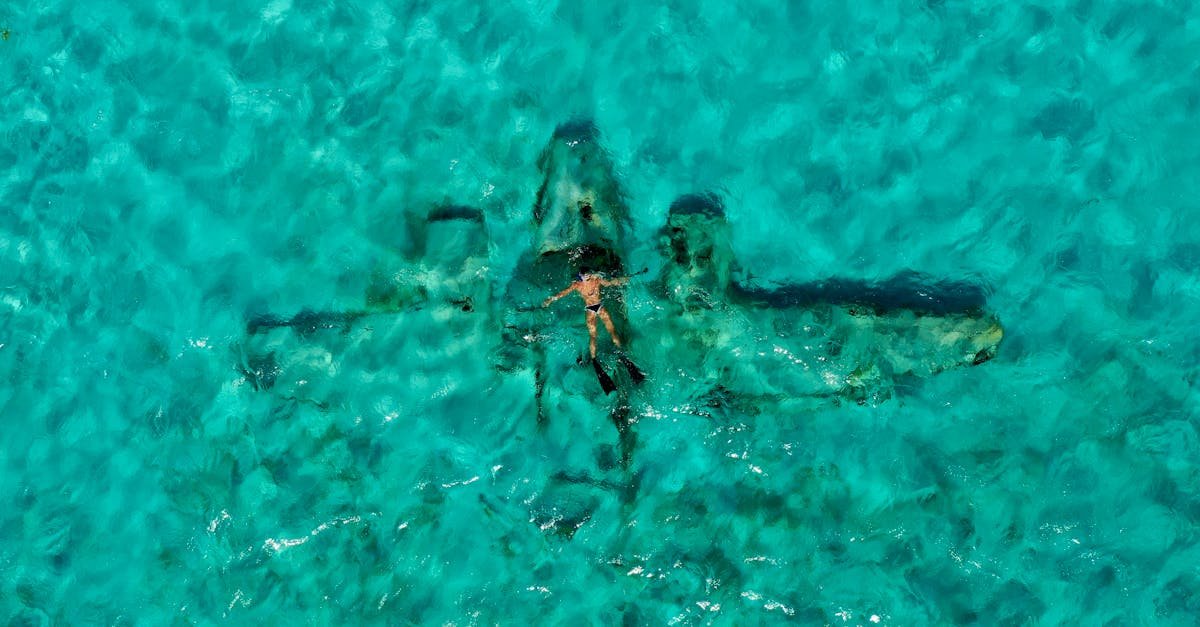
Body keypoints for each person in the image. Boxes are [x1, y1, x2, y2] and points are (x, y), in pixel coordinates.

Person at [542, 267, 629, 359]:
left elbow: (563, 293)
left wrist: (550, 300)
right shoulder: (596, 279)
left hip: (590, 309)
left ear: (581, 276)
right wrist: (622, 280)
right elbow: (610, 283)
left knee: (593, 336)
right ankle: (621, 351)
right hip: (600, 307)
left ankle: (593, 358)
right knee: (612, 331)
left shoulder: (577, 285)